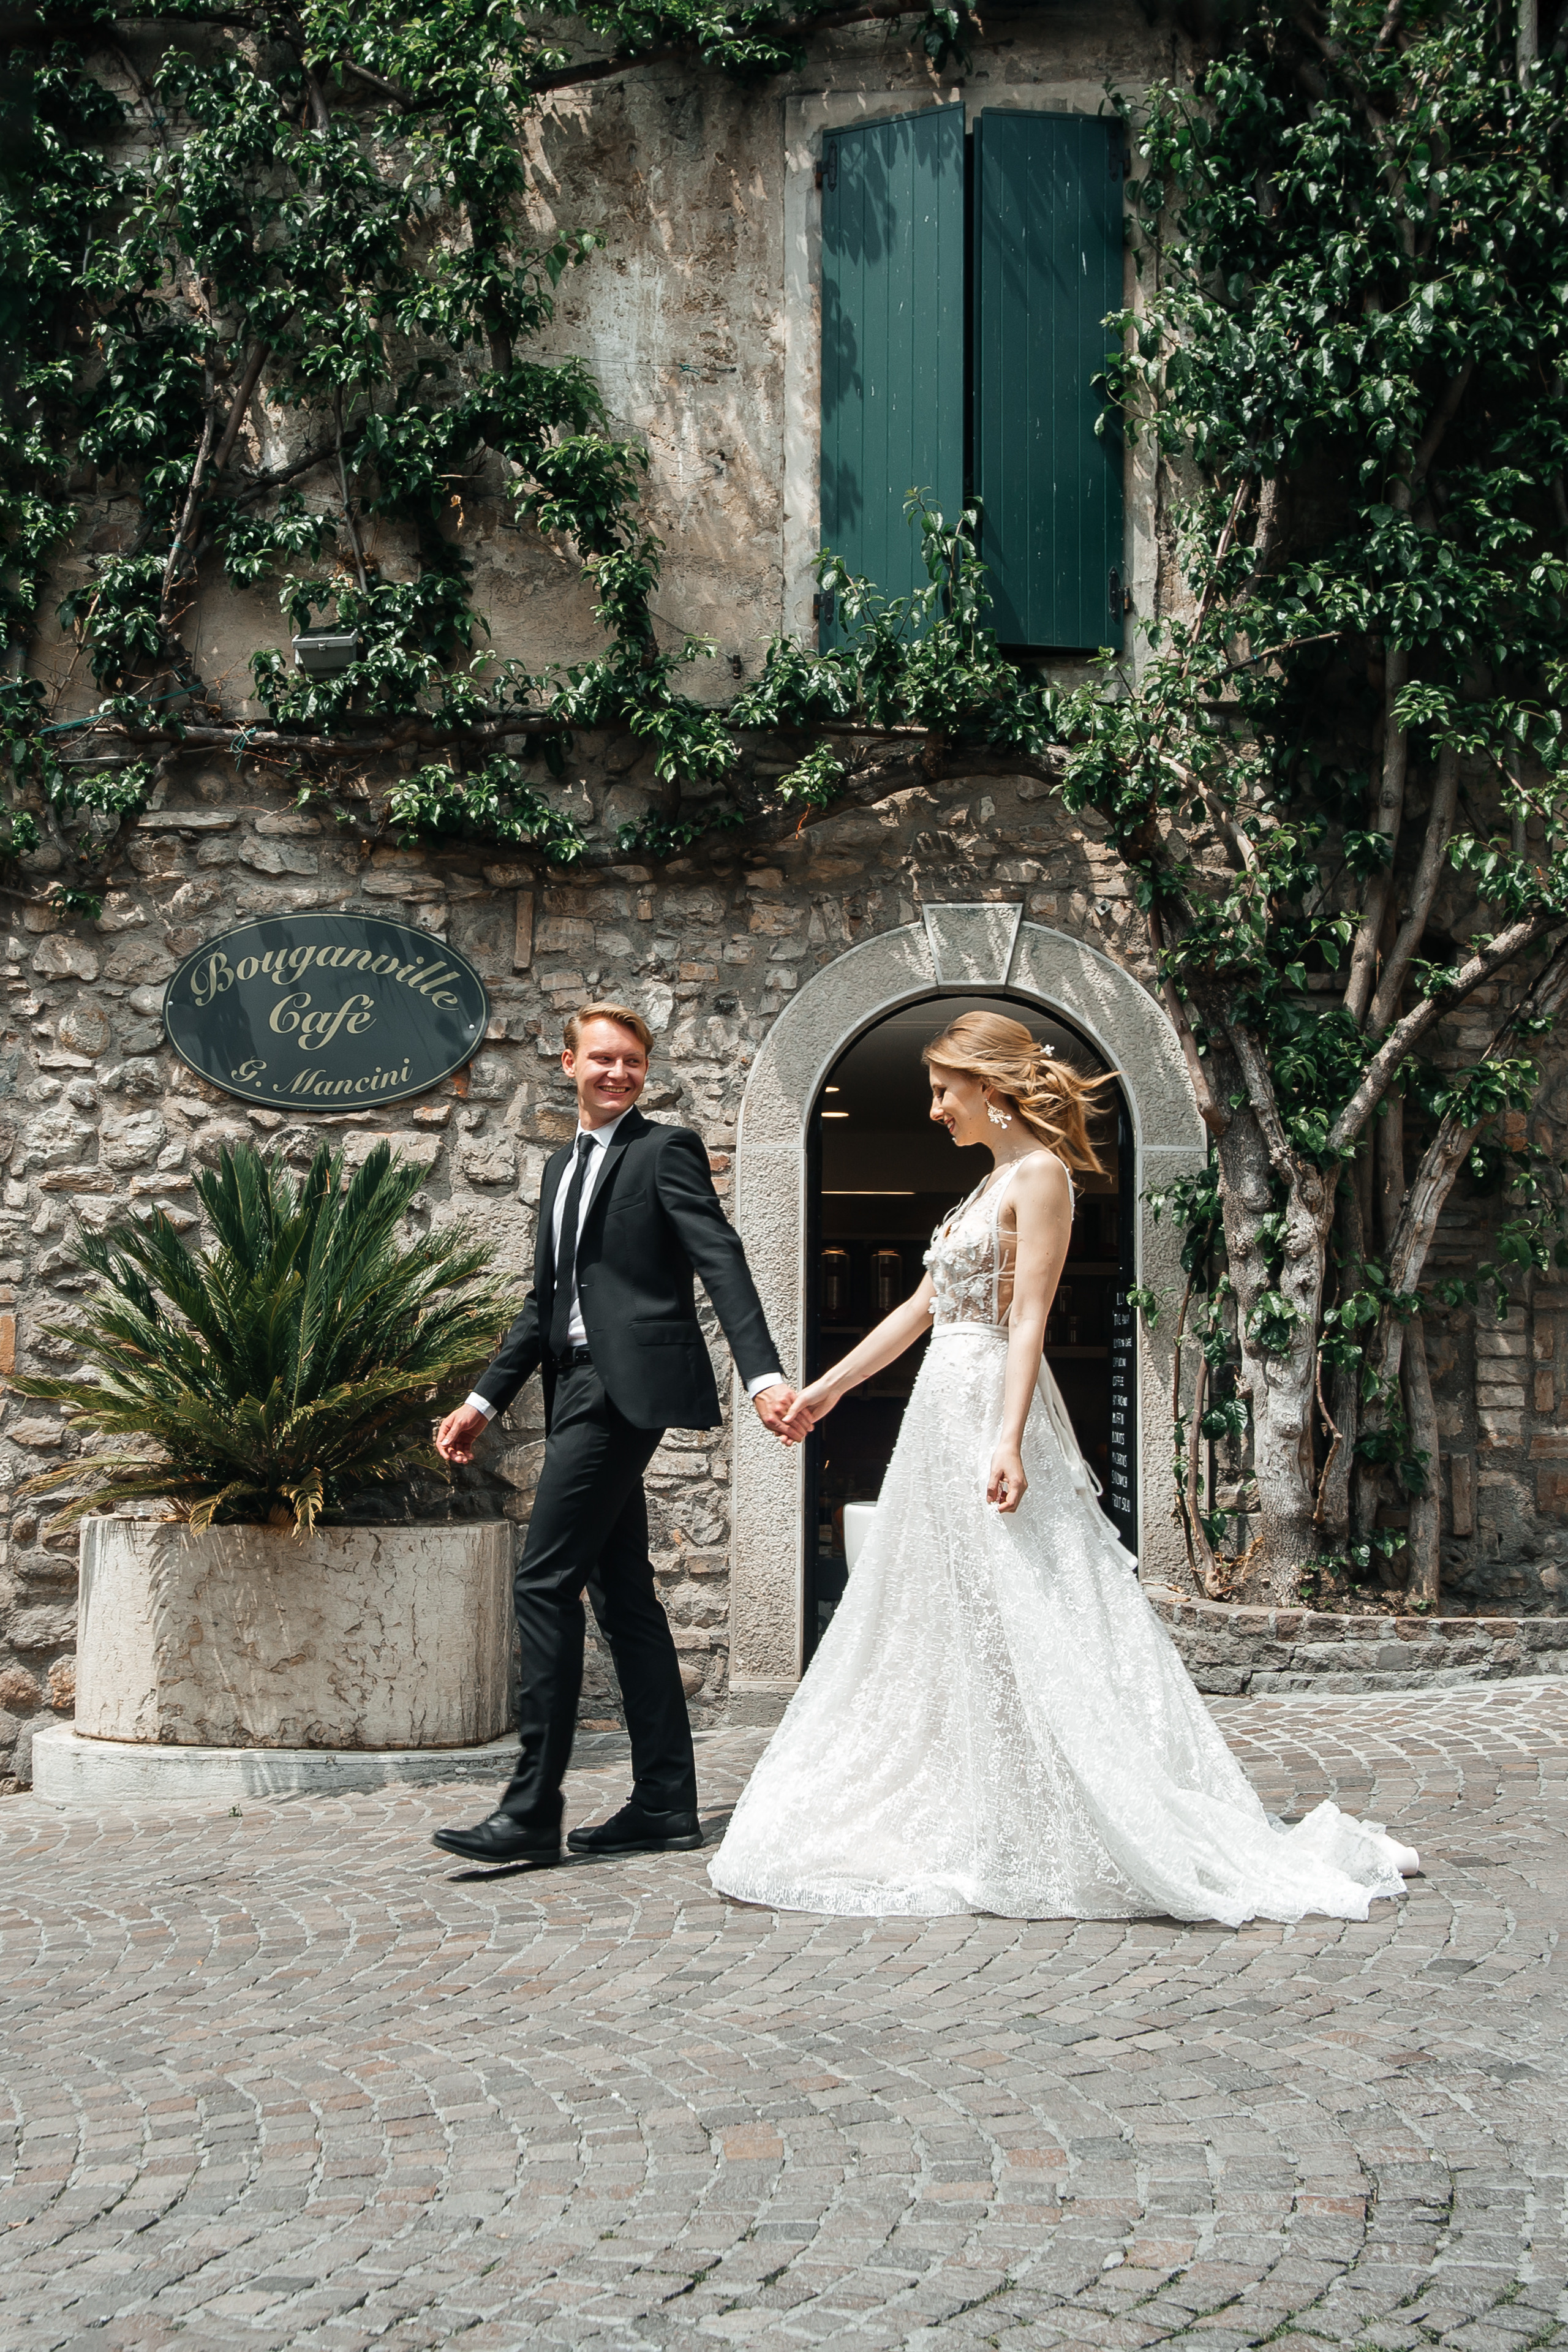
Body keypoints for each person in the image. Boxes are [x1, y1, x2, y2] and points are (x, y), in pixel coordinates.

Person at [707, 1010, 1420, 1926]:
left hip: (989, 1408)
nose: (933, 1111)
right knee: (948, 1602)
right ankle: (976, 1792)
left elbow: (1030, 1319)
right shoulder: (985, 1186)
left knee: (1028, 1597)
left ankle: (1070, 1793)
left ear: (991, 1088)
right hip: (940, 1406)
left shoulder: (1041, 1177)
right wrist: (827, 1390)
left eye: (944, 1092)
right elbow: (926, 1305)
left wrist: (1006, 1440)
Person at [433, 1002, 796, 1869]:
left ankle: (530, 1810)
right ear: (568, 1064)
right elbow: (545, 1304)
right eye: (602, 1059)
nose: (618, 1073)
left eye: (632, 1061)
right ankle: (666, 1802)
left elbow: (721, 1257)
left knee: (543, 1580)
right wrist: (483, 1402)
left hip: (621, 1391)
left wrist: (765, 1375)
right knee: (622, 1595)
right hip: (572, 1388)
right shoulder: (560, 1169)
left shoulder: (662, 1150)